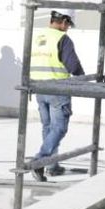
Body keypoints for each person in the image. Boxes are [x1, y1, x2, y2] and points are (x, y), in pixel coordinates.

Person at [29, 9, 85, 180]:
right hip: (57, 89)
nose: (68, 28)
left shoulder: (38, 37)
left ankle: (52, 166)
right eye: (68, 25)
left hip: (39, 88)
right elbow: (73, 65)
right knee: (59, 128)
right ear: (64, 21)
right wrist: (83, 78)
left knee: (48, 128)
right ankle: (39, 161)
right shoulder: (62, 39)